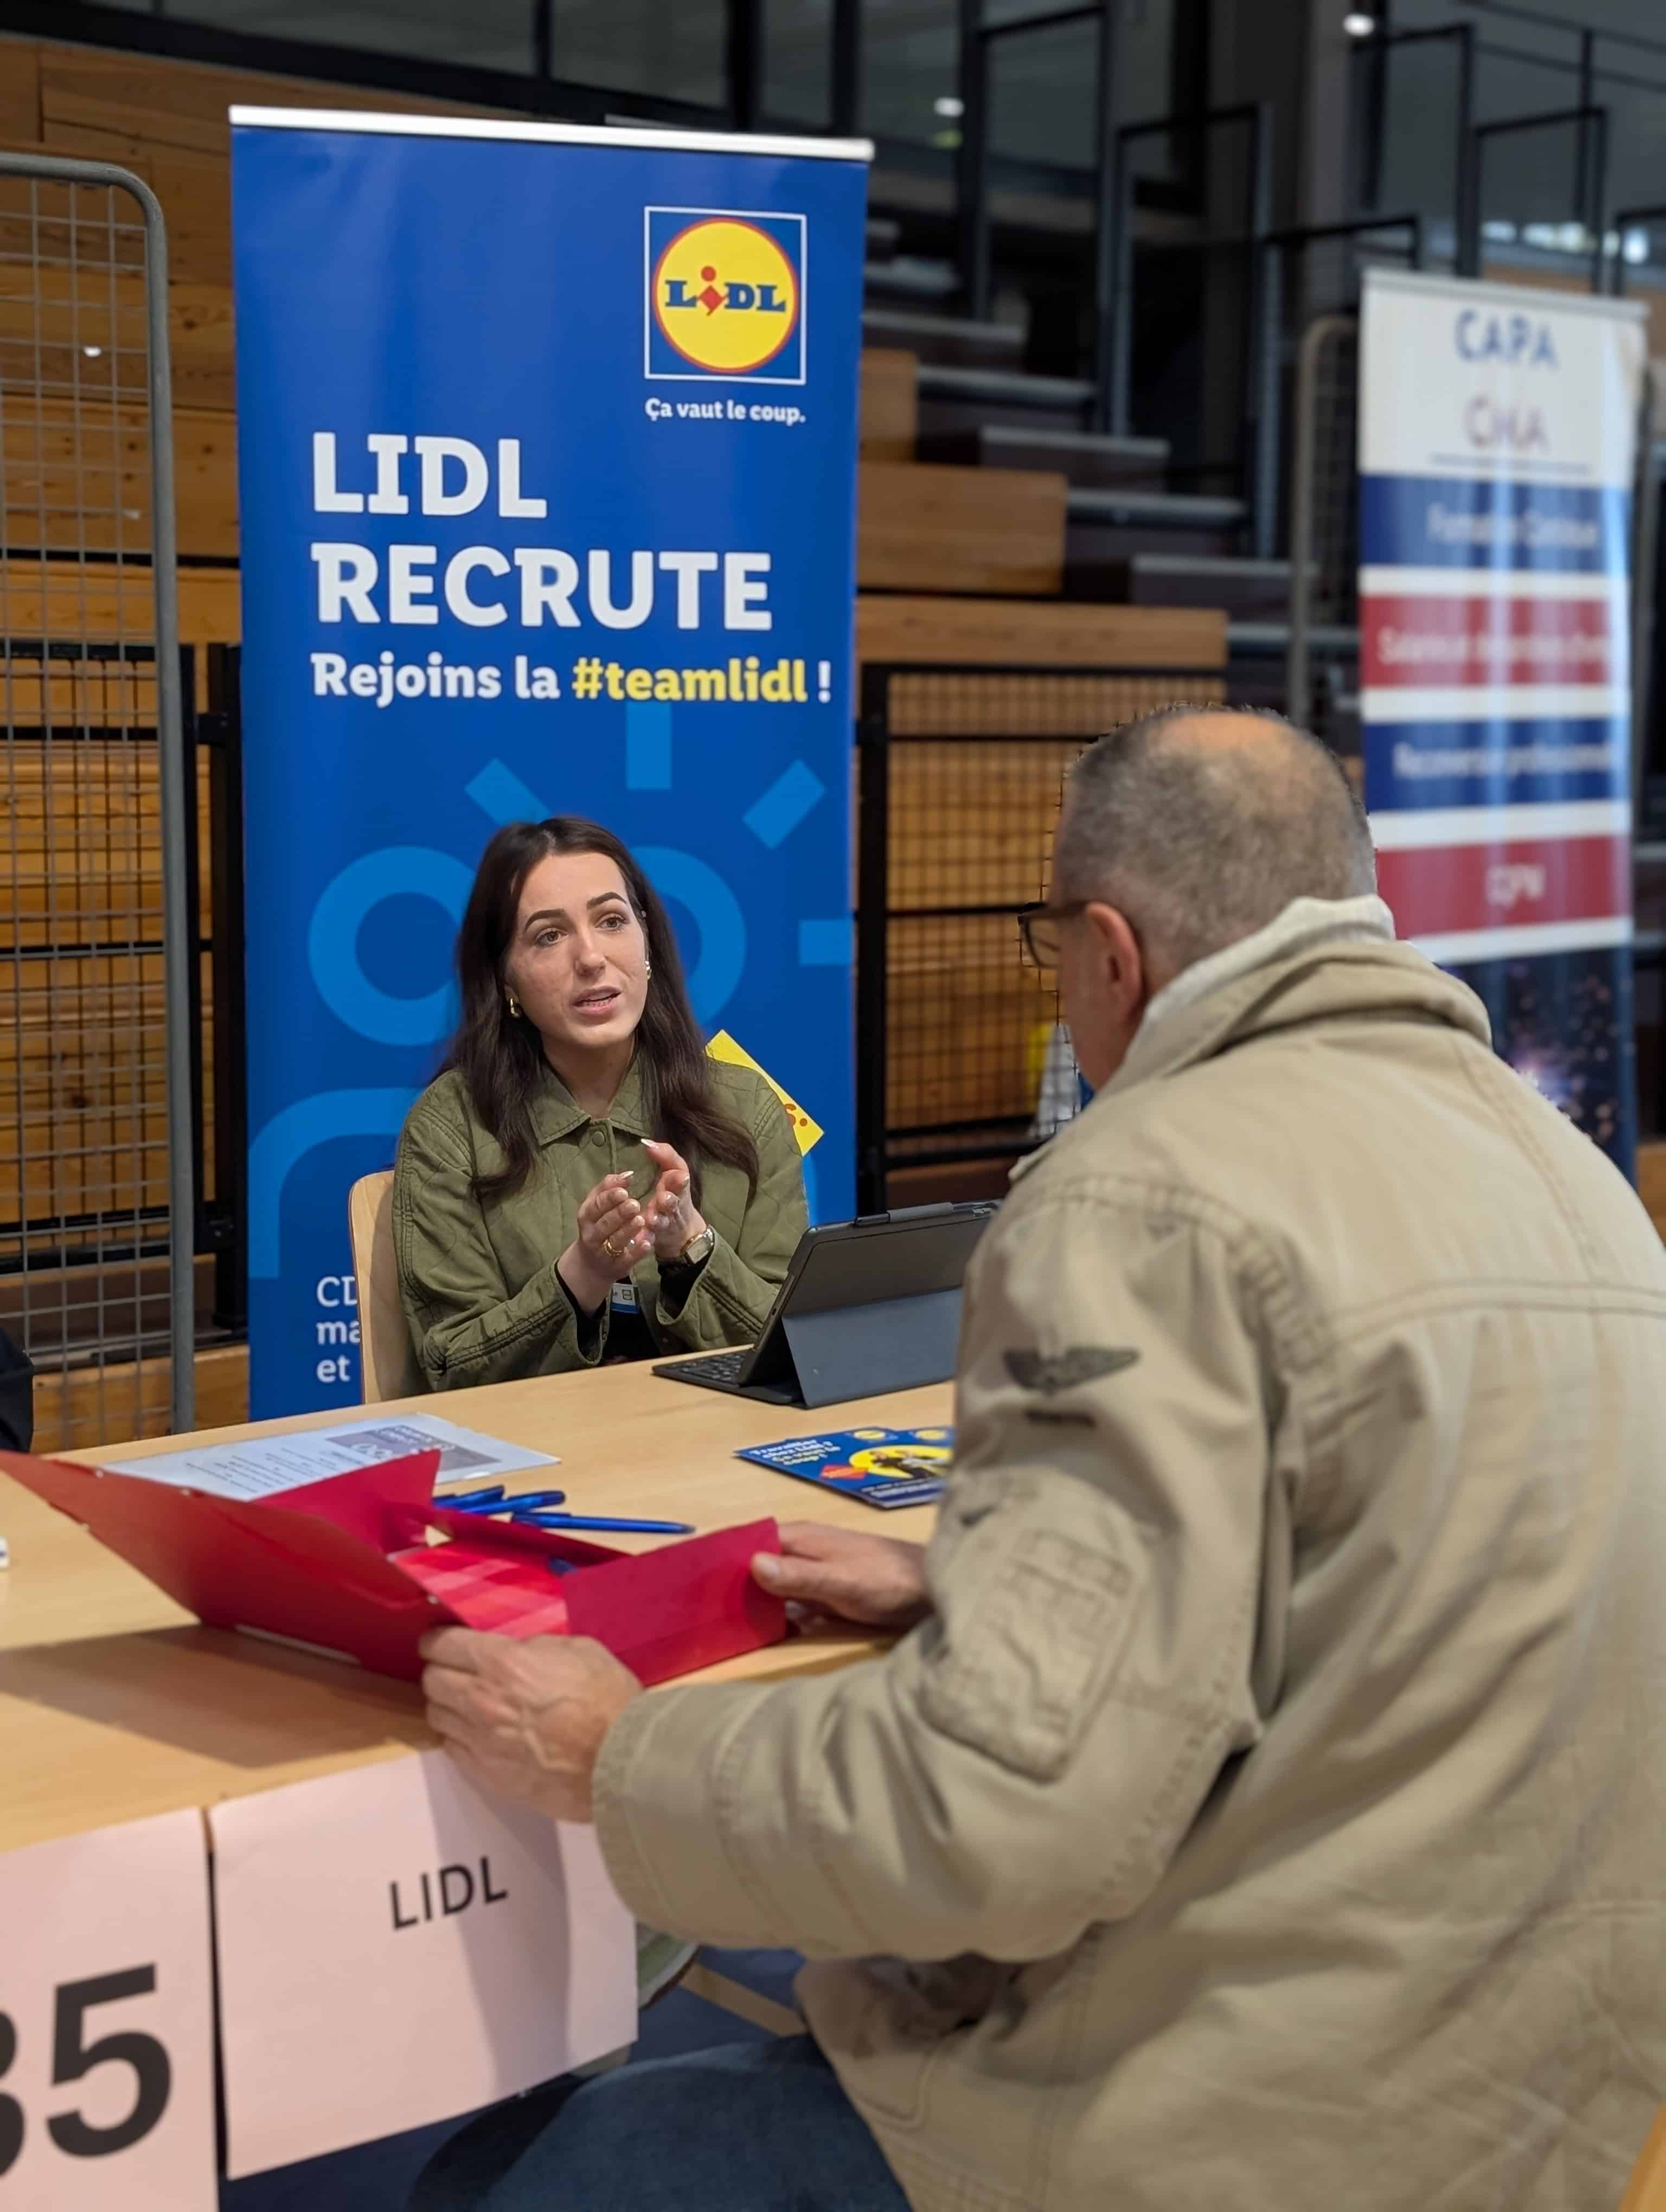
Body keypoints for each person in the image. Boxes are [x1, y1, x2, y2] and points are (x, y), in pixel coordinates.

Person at [412, 709, 1666, 2212]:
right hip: (1544, 2091)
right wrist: (972, 1585)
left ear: (1114, 952)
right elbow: (1373, 1578)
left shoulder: (1136, 1193)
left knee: (505, 2188)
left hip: (1222, 2107)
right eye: (550, 933)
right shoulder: (1577, 1178)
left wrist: (617, 1761)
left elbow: (1000, 1817)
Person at [394, 817, 808, 1388]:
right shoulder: (449, 1128)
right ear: (506, 981)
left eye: (612, 921)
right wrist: (580, 1276)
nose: (590, 958)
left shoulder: (747, 1107)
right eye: (548, 935)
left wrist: (691, 1247)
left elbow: (797, 1348)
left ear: (647, 945)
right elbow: (449, 1368)